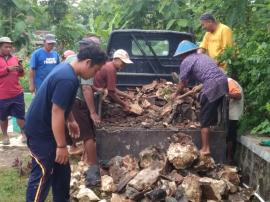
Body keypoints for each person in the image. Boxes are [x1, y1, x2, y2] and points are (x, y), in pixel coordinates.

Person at [24, 45, 107, 202]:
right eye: (96, 70)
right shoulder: (66, 79)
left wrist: (71, 120)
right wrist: (61, 146)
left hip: (48, 129)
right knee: (43, 174)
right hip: (40, 131)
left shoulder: (68, 72)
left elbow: (61, 103)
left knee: (62, 171)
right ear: (88, 62)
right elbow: (56, 111)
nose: (95, 75)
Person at [172, 40, 228, 156]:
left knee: (204, 119)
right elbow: (211, 73)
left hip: (212, 86)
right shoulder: (203, 56)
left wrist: (176, 94)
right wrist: (199, 87)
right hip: (223, 82)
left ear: (183, 54)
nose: (181, 58)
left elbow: (183, 82)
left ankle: (205, 149)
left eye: (180, 56)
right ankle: (213, 131)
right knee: (212, 112)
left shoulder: (186, 60)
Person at [66, 36, 104, 165]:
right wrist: (93, 113)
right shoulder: (88, 64)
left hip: (69, 101)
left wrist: (96, 88)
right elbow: (86, 88)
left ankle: (74, 148)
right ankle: (93, 168)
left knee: (74, 126)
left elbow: (87, 84)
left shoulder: (72, 59)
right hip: (77, 101)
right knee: (88, 135)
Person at [0, 37, 26, 145]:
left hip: (17, 92)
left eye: (10, 47)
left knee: (21, 115)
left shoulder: (15, 58)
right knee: (3, 116)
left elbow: (21, 74)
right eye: (6, 46)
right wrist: (7, 69)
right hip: (2, 94)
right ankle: (5, 135)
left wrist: (20, 69)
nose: (9, 49)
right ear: (0, 47)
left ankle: (24, 134)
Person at [227, 78, 244, 162]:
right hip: (230, 113)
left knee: (231, 136)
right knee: (229, 135)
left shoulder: (229, 81)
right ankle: (228, 157)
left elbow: (238, 95)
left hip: (233, 114)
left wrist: (226, 94)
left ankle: (229, 158)